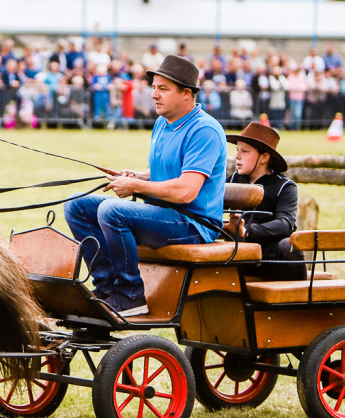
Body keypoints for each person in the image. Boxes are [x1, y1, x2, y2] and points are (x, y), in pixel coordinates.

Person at [64, 55, 227, 316]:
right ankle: (105, 291)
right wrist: (138, 177)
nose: (154, 95)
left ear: (187, 94)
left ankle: (130, 297)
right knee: (76, 205)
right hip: (163, 213)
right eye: (154, 87)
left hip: (194, 224)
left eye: (163, 89)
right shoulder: (163, 123)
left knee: (111, 211)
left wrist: (135, 188)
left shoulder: (204, 130)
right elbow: (169, 170)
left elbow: (186, 191)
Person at [224, 123, 305, 280]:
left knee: (289, 246)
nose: (237, 156)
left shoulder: (284, 187)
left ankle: (296, 297)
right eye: (237, 150)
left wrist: (246, 230)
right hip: (237, 254)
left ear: (265, 157)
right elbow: (210, 206)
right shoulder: (233, 181)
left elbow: (285, 224)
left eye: (245, 151)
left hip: (270, 258)